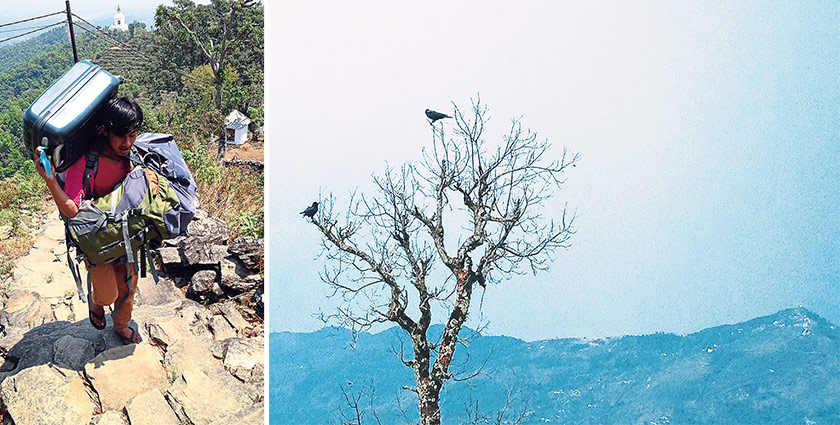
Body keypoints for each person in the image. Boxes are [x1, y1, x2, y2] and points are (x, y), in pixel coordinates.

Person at [34, 96, 144, 345]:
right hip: (96, 236)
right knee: (108, 292)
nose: (127, 143)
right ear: (105, 131)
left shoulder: (133, 154)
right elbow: (72, 209)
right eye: (121, 136)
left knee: (128, 282)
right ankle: (98, 303)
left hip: (125, 230)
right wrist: (50, 181)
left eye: (133, 135)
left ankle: (122, 325)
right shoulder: (85, 162)